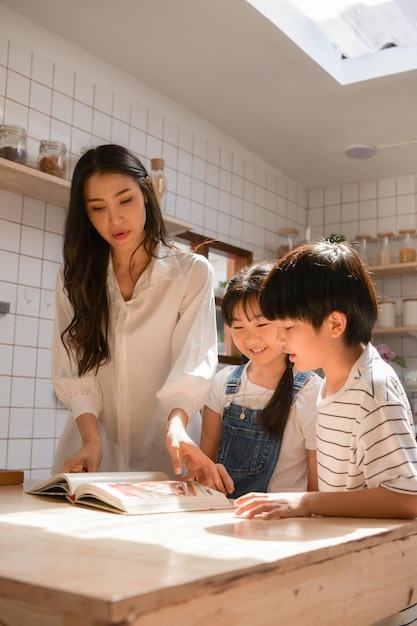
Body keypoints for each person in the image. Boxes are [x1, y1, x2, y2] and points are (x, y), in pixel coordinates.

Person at [234, 241, 417, 626]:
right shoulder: (328, 385)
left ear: (335, 324)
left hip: (383, 594)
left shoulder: (373, 389)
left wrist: (304, 502)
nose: (279, 341)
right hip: (352, 574)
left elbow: (406, 499)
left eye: (288, 328)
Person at [51, 144, 219, 482]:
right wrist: (91, 440)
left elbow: (192, 363)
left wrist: (177, 427)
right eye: (98, 208)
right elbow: (73, 370)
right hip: (92, 448)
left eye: (125, 200)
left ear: (147, 194)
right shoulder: (75, 279)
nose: (114, 220)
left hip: (171, 447)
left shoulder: (191, 272)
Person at [200, 261, 322, 498]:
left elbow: (317, 490)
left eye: (262, 324)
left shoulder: (312, 392)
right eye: (239, 327)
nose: (251, 338)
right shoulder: (223, 383)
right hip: (222, 517)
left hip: (285, 525)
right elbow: (205, 466)